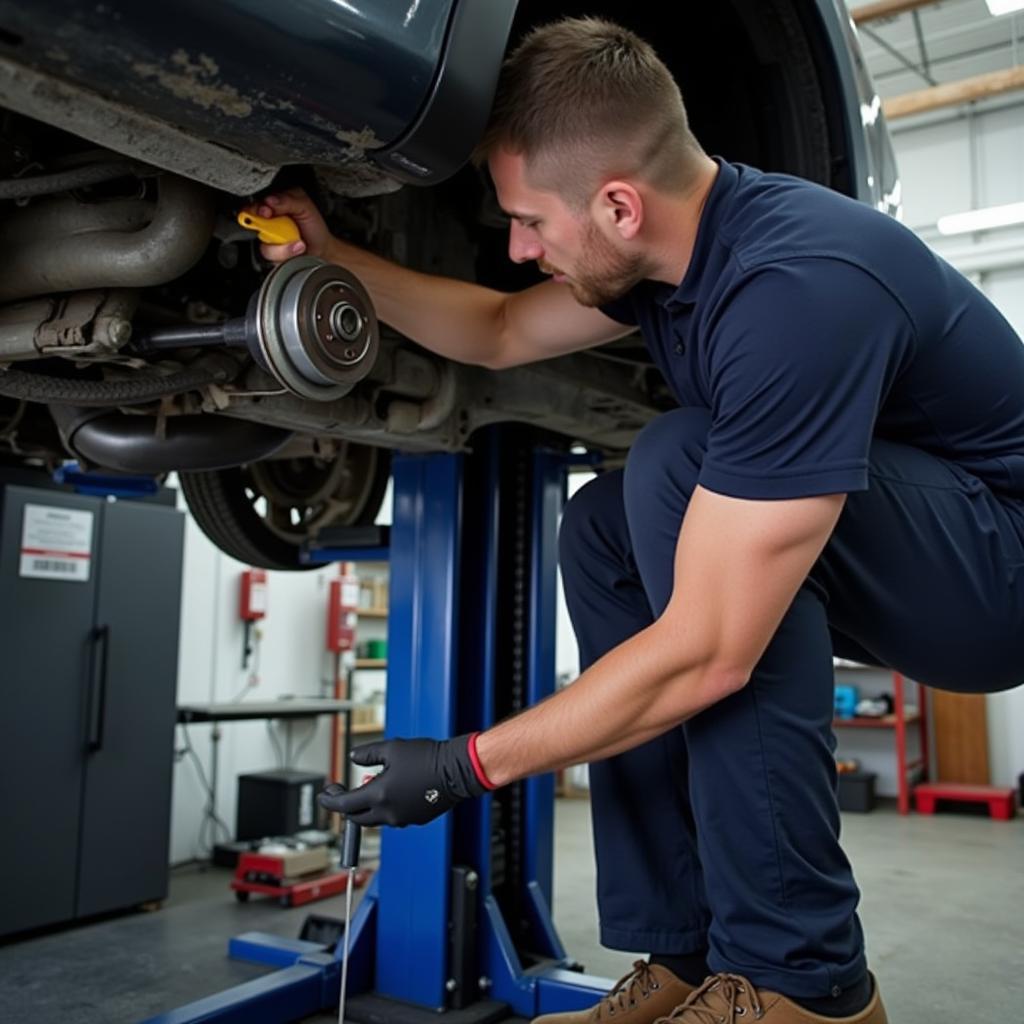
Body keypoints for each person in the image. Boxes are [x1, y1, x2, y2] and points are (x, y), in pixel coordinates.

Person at [255, 17, 1024, 1024]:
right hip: (919, 550)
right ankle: (690, 955)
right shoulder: (675, 250)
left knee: (678, 467)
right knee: (604, 525)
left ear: (619, 205)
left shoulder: (797, 286)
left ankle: (805, 984)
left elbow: (706, 655)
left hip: (997, 577)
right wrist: (336, 257)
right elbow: (497, 330)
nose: (520, 247)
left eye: (529, 221)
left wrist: (462, 765)